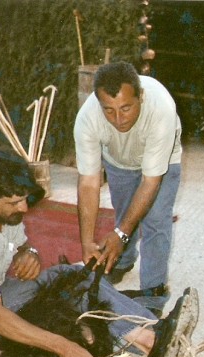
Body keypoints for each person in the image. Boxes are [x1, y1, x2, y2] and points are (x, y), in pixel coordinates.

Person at [0, 149, 198, 357]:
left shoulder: (2, 206)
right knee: (70, 282)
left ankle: (151, 333)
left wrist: (28, 252)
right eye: (15, 202)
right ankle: (151, 339)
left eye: (24, 199)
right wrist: (63, 347)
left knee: (75, 279)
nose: (24, 208)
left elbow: (19, 243)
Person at [74, 61, 182, 315]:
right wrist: (86, 242)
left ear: (140, 96)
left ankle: (153, 293)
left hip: (163, 161)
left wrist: (120, 234)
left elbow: (151, 181)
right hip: (118, 159)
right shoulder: (87, 118)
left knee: (156, 220)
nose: (119, 119)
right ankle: (122, 260)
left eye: (126, 108)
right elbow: (88, 183)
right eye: (109, 110)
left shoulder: (161, 109)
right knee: (124, 213)